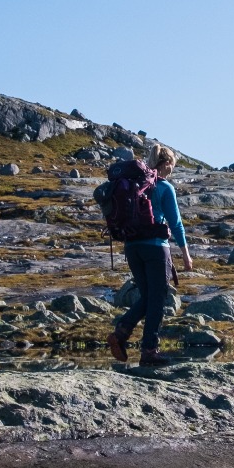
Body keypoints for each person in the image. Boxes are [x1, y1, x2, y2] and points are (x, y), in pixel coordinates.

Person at [103, 145, 192, 367]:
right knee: (157, 298)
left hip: (132, 248)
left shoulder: (133, 185)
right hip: (155, 247)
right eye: (172, 166)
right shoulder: (164, 187)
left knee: (148, 297)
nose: (172, 170)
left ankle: (121, 333)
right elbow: (176, 223)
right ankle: (149, 351)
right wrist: (185, 254)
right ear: (166, 164)